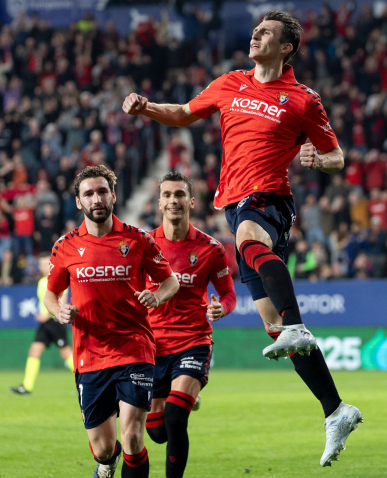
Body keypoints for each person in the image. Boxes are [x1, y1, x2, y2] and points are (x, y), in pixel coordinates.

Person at [122, 11, 361, 467]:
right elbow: (184, 114)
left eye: (266, 32)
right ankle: (335, 409)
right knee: (273, 324)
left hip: (268, 199)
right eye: (256, 29)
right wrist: (147, 108)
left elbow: (337, 155)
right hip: (234, 206)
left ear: (287, 46)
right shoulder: (230, 82)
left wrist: (315, 159)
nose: (255, 35)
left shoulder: (303, 99)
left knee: (253, 241)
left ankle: (295, 322)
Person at [45, 165, 180, 478]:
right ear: (78, 202)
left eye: (102, 191)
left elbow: (170, 281)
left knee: (133, 435)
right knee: (104, 448)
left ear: (114, 195)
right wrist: (59, 311)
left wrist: (157, 297)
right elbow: (51, 294)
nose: (97, 198)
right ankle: (108, 460)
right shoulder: (65, 246)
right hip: (89, 355)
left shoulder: (138, 240)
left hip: (134, 349)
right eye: (89, 193)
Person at [144, 171, 237, 478]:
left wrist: (220, 309)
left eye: (180, 194)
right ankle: (187, 397)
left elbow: (228, 294)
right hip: (153, 347)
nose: (174, 200)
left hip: (193, 340)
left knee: (174, 416)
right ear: (159, 203)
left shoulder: (210, 248)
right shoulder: (144, 246)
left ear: (192, 202)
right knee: (157, 431)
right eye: (168, 195)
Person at [10, 254, 74, 395]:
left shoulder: (58, 279)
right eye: (40, 264)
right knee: (34, 351)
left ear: (51, 265)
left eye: (45, 264)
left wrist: (49, 314)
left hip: (56, 321)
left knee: (66, 354)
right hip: (45, 324)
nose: (42, 267)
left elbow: (62, 300)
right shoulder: (41, 281)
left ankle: (83, 383)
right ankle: (26, 387)